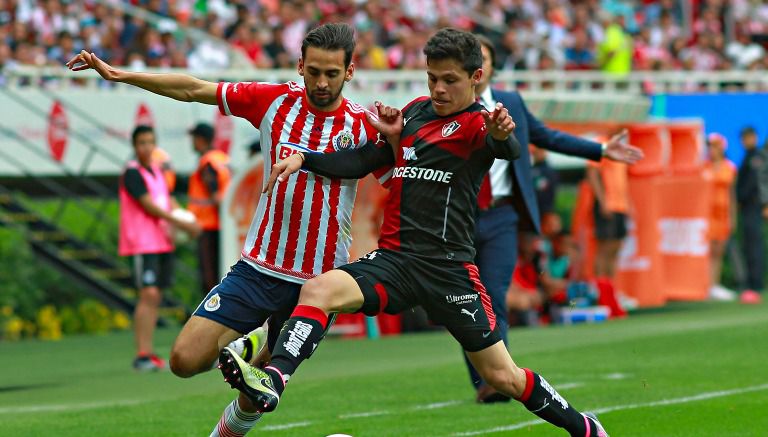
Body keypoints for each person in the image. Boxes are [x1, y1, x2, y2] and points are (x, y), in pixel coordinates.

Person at [220, 28, 609, 437]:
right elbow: (362, 160)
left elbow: (507, 150)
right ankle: (274, 379)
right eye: (432, 78)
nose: (438, 89)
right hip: (395, 261)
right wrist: (305, 159)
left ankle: (583, 427)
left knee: (502, 377)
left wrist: (502, 135)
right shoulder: (416, 114)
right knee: (318, 290)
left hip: (448, 271)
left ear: (476, 77)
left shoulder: (479, 125)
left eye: (450, 80)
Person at [68, 23, 388, 435]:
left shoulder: (366, 126)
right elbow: (194, 89)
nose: (321, 82)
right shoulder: (274, 103)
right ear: (300, 66)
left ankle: (250, 366)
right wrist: (121, 74)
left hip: (317, 284)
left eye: (331, 73)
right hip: (258, 268)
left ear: (350, 71)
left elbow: (402, 182)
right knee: (184, 360)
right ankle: (256, 341)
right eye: (313, 72)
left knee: (261, 390)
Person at [468, 34, 642, 404]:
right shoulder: (447, 107)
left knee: (494, 295)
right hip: (459, 217)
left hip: (501, 214)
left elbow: (545, 136)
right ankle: (484, 377)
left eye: (483, 58)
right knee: (465, 300)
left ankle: (498, 379)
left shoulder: (510, 102)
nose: (477, 66)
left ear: (493, 67)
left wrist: (598, 149)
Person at [119, 125, 200, 371]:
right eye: (142, 142)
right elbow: (149, 206)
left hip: (162, 241)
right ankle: (142, 354)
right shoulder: (132, 173)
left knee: (156, 296)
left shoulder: (156, 171)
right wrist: (181, 224)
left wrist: (186, 219)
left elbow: (167, 201)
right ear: (135, 146)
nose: (147, 147)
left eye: (150, 142)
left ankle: (149, 352)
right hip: (143, 242)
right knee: (149, 294)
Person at [187, 122, 232, 296]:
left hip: (209, 227)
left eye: (194, 138)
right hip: (222, 227)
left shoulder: (207, 164)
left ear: (200, 140)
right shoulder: (222, 159)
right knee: (220, 275)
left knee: (209, 279)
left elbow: (216, 198)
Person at [735, 126, 768, 304]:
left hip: (753, 207)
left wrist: (764, 204)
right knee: (749, 245)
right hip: (747, 207)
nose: (746, 140)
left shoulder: (757, 157)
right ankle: (751, 283)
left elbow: (758, 183)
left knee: (754, 246)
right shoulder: (748, 156)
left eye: (749, 137)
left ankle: (755, 285)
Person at [703, 133, 737, 301]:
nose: (712, 149)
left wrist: (732, 216)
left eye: (715, 146)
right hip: (706, 214)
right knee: (706, 250)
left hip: (722, 213)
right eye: (710, 146)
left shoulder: (729, 167)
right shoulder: (704, 167)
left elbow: (732, 194)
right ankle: (704, 285)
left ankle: (713, 285)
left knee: (718, 250)